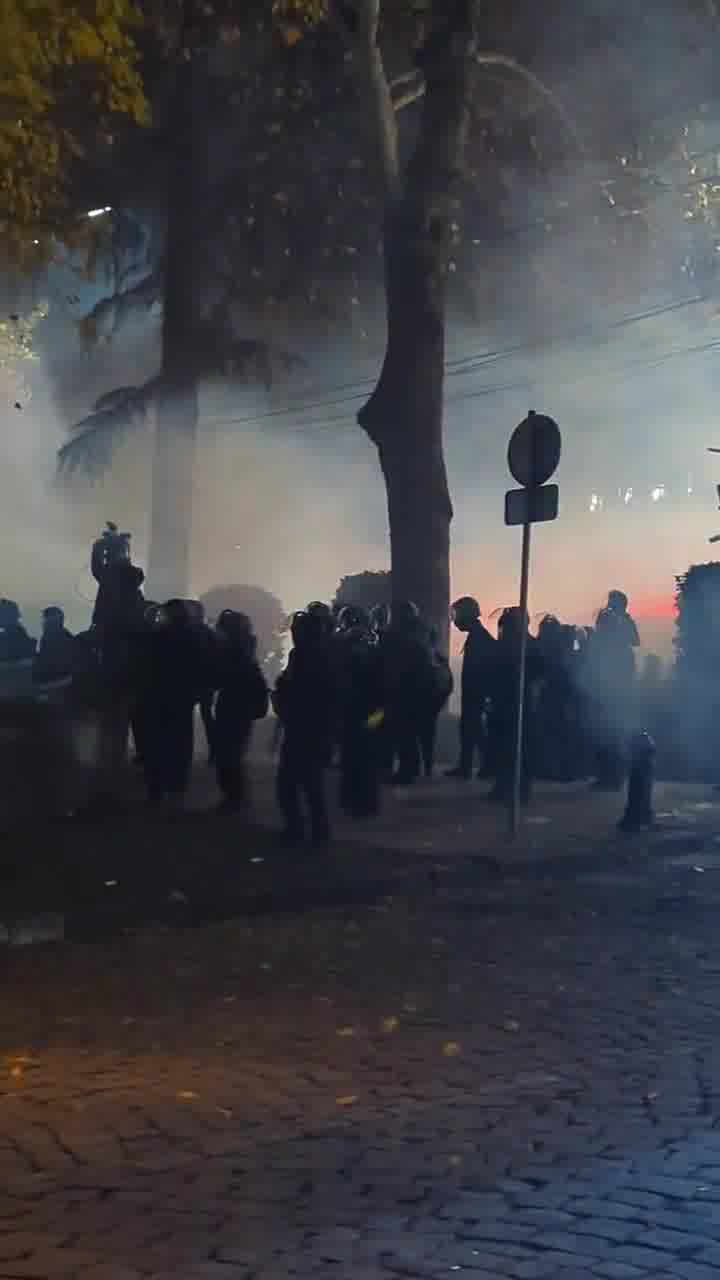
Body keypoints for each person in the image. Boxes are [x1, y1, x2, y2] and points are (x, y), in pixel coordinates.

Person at [137, 599, 212, 808]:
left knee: (158, 744)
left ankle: (156, 788)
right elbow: (201, 666)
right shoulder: (194, 637)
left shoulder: (157, 636)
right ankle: (177, 785)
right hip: (182, 698)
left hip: (159, 697)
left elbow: (146, 666)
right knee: (180, 743)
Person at [273, 610, 336, 847]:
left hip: (306, 727)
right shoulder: (319, 654)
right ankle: (314, 832)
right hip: (312, 728)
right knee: (309, 784)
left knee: (295, 783)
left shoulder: (308, 656)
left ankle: (301, 830)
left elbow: (301, 691)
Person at [213, 610, 268, 812]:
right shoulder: (244, 651)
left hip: (232, 706)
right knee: (232, 754)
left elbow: (220, 677)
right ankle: (236, 796)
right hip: (240, 708)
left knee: (228, 755)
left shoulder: (232, 652)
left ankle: (235, 798)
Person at [488, 607, 543, 806]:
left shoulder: (529, 646)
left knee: (519, 749)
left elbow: (538, 677)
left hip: (521, 705)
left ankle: (520, 791)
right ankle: (503, 786)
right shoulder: (514, 645)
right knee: (503, 748)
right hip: (505, 704)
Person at [335, 605, 384, 817]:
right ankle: (366, 803)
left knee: (353, 760)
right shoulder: (374, 648)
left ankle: (354, 803)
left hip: (354, 714)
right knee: (366, 760)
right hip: (371, 714)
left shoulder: (344, 649)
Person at [379, 600, 434, 785]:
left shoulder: (398, 636)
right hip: (416, 692)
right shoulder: (422, 633)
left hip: (403, 691)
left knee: (404, 734)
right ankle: (411, 769)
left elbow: (390, 663)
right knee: (408, 734)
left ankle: (406, 772)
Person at [446, 596, 497, 779]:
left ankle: (484, 767)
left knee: (474, 731)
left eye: (458, 614)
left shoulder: (479, 638)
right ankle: (469, 766)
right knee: (471, 731)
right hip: (475, 695)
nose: (456, 620)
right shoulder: (478, 636)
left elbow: (482, 671)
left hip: (476, 695)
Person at [420, 626, 454, 778]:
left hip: (422, 704)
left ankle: (418, 768)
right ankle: (426, 767)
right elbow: (448, 684)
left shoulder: (419, 656)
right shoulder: (439, 657)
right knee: (427, 738)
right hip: (430, 705)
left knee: (416, 738)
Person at [33, 607, 75, 685]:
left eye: (44, 619)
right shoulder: (65, 635)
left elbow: (49, 662)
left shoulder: (52, 638)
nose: (42, 623)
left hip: (57, 681)